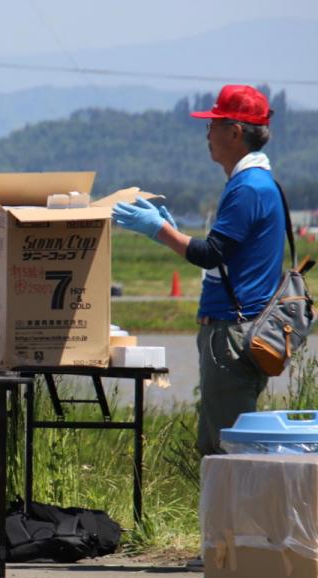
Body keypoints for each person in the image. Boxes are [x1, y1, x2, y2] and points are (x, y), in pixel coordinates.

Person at [111, 85, 283, 458]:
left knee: (228, 452)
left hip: (232, 333)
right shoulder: (252, 183)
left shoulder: (249, 188)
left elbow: (211, 254)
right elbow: (222, 255)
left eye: (214, 125)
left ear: (235, 132)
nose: (208, 134)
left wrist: (158, 229)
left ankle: (234, 518)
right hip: (236, 329)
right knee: (219, 445)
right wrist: (169, 234)